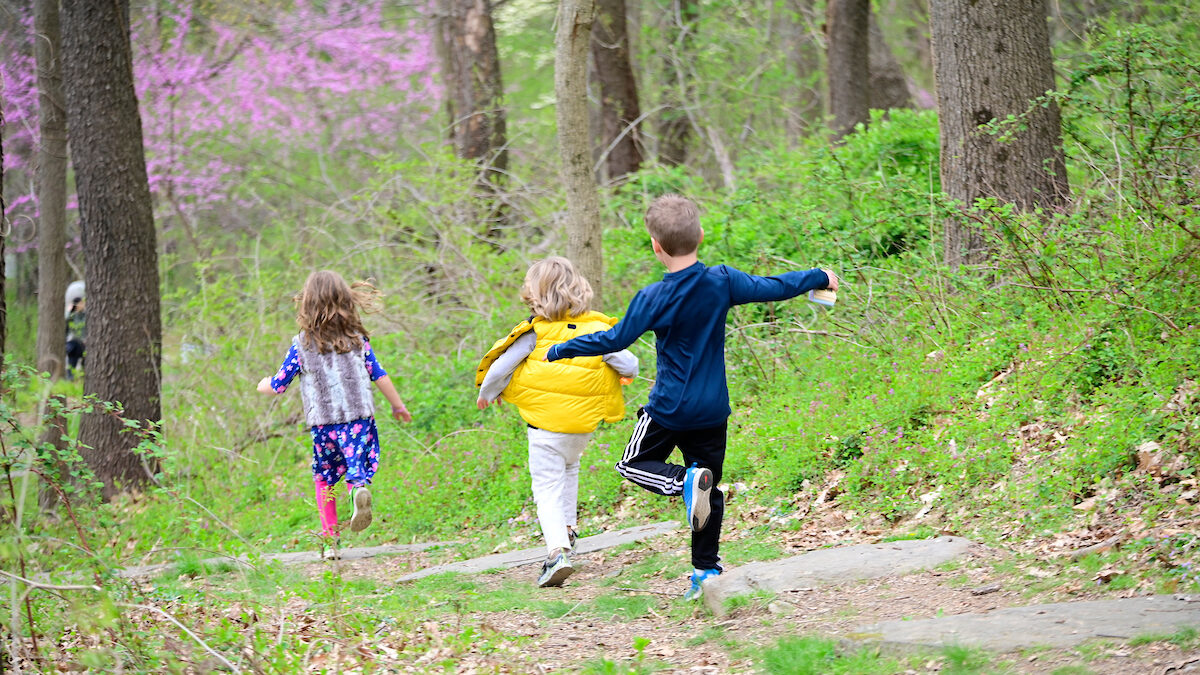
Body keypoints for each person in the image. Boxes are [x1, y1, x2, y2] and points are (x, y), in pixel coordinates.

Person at [545, 194, 839, 600]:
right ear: (700, 235)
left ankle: (683, 484)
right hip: (713, 410)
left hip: (668, 408)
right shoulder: (722, 280)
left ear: (655, 246)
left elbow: (615, 339)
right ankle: (706, 571)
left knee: (633, 464)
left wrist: (562, 348)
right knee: (710, 490)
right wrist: (819, 276)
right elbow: (774, 287)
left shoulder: (652, 297)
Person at [476, 257, 638, 588]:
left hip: (545, 426)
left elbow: (499, 368)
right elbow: (630, 364)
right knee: (570, 469)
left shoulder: (535, 332)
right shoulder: (597, 330)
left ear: (535, 296)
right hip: (581, 427)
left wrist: (486, 393)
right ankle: (567, 528)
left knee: (546, 486)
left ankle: (556, 553)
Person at [256, 271, 412, 555]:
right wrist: (397, 405)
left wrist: (263, 385)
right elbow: (379, 375)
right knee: (356, 466)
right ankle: (357, 489)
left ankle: (330, 541)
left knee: (325, 479)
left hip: (323, 425)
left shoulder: (301, 345)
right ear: (346, 301)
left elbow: (279, 385)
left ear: (308, 305)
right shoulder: (357, 340)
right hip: (358, 421)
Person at [64, 282, 86, 379]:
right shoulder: (72, 314)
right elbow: (66, 321)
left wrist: (83, 309)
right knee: (71, 351)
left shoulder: (86, 314)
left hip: (85, 342)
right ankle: (70, 377)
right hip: (74, 342)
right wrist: (70, 311)